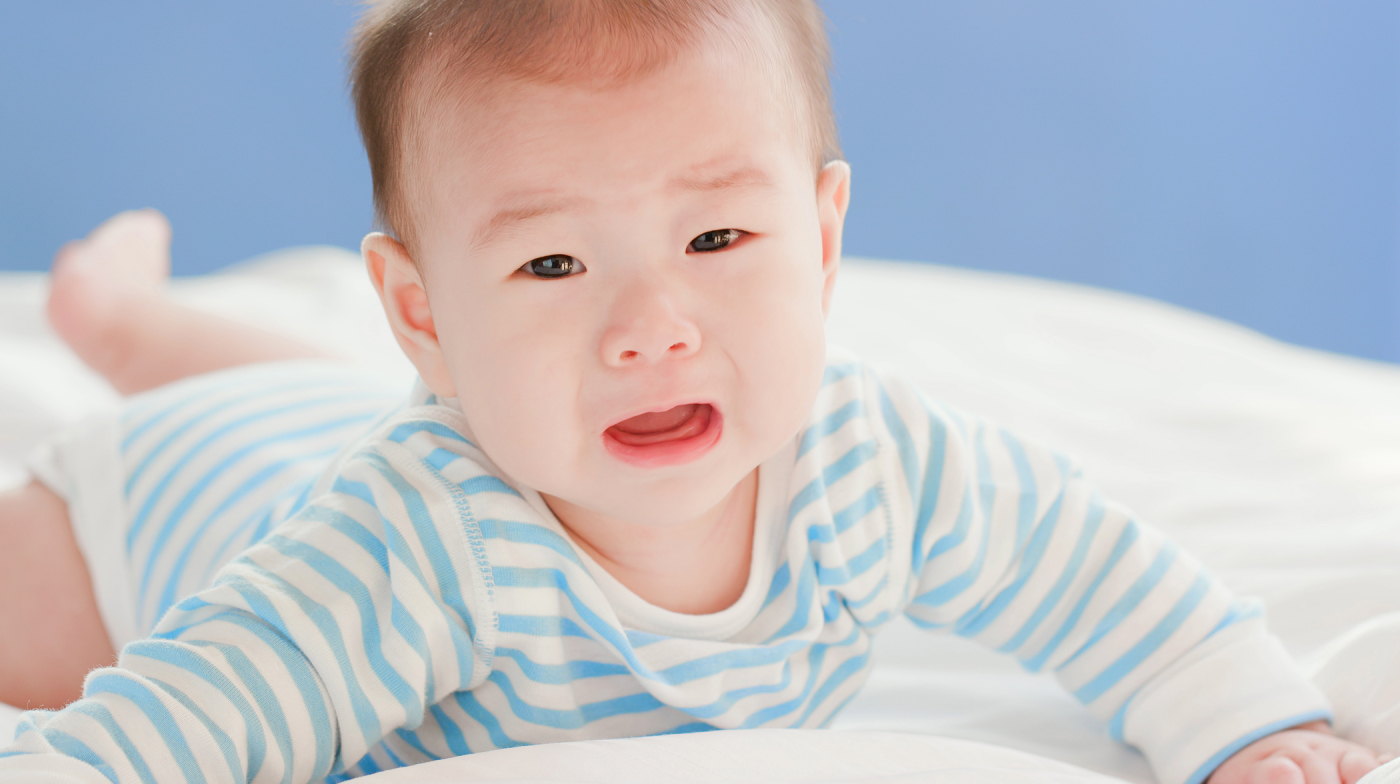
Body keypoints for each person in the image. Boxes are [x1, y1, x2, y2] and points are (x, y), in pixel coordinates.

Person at [0, 1, 1385, 782]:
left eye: (717, 238)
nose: (650, 331)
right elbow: (168, 733)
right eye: (552, 264)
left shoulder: (875, 457)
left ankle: (124, 322)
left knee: (319, 395)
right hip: (163, 510)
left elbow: (1086, 570)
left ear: (823, 240)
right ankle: (125, 340)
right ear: (425, 310)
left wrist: (1245, 724)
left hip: (321, 421)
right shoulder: (399, 553)